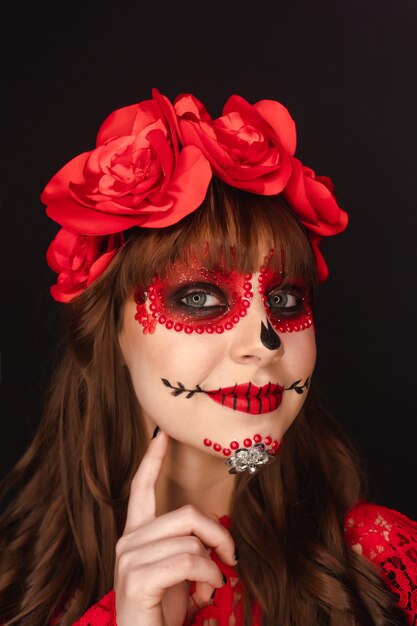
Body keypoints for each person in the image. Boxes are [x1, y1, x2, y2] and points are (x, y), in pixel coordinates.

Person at [0, 88, 416, 626]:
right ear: (109, 330)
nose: (264, 344)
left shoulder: (381, 565)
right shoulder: (19, 588)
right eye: (198, 298)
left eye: (286, 299)